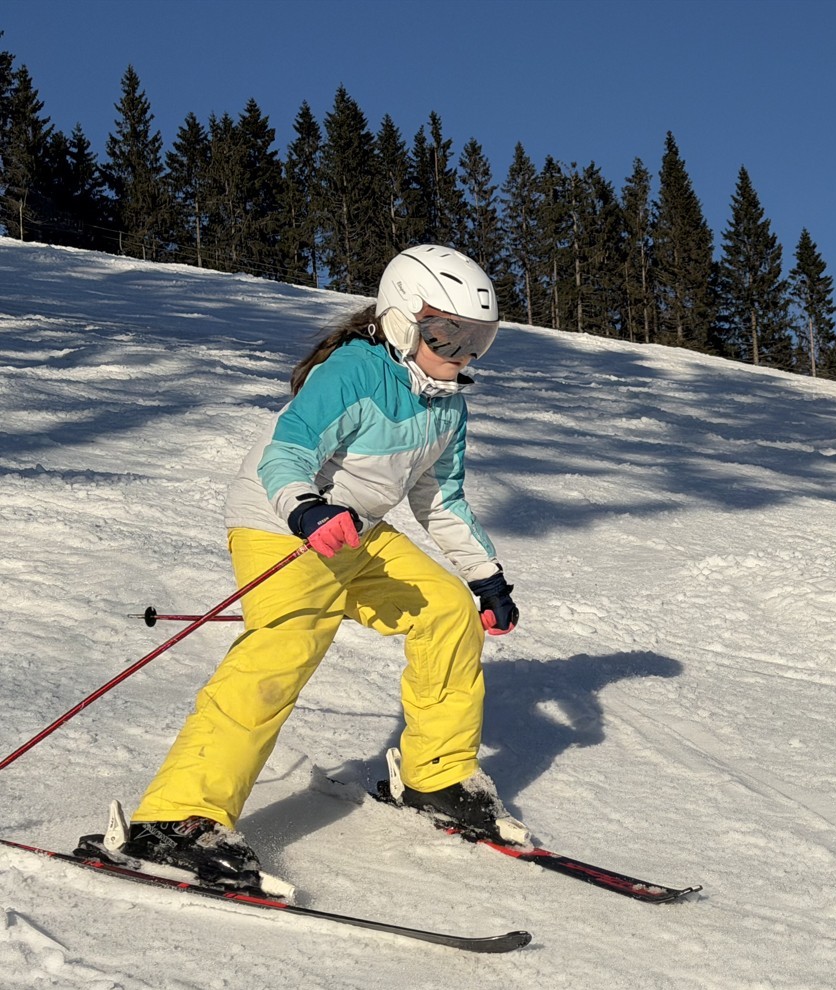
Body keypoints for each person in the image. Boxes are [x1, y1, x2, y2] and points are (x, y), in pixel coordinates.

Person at [88, 244, 523, 894]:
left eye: (476, 341)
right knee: (286, 645)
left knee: (447, 611)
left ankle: (436, 776)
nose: (459, 354)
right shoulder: (352, 372)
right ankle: (178, 818)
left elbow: (441, 498)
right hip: (280, 518)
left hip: (354, 531)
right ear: (402, 319)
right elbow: (287, 453)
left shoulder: (447, 404)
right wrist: (305, 510)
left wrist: (485, 577)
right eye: (444, 334)